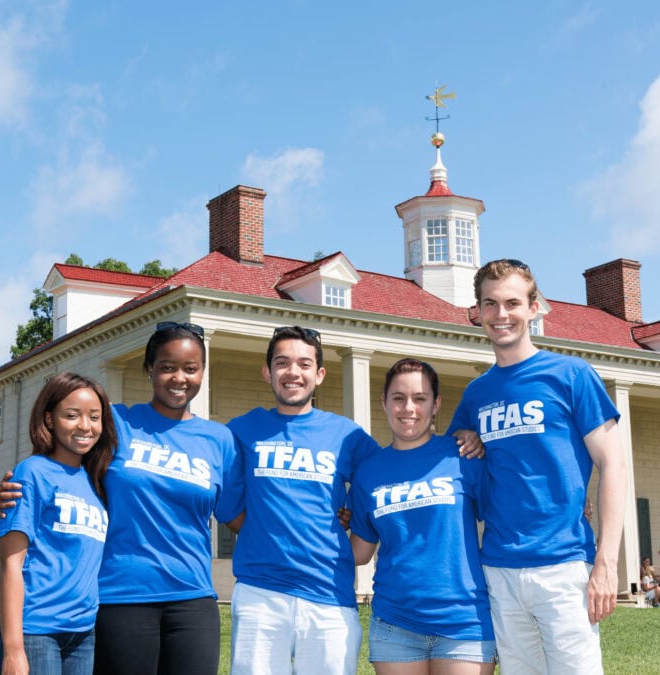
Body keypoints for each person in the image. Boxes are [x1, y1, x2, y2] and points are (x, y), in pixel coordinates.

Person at [0, 322, 238, 674]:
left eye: (191, 368)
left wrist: (325, 526)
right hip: (121, 595)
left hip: (192, 595)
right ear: (149, 370)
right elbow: (63, 458)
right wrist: (12, 492)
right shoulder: (116, 423)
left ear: (203, 371)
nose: (179, 378)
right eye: (167, 367)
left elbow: (239, 515)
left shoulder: (219, 440)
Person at [446, 258, 627, 673]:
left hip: (563, 565)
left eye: (512, 302)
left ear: (534, 307)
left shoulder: (571, 375)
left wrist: (606, 563)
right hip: (499, 566)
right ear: (477, 312)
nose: (501, 314)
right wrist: (466, 436)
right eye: (490, 304)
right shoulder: (476, 394)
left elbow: (613, 465)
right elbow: (453, 454)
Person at [215, 326, 382, 674]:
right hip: (260, 592)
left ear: (319, 375)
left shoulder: (346, 434)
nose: (293, 372)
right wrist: (265, 528)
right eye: (282, 363)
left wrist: (357, 516)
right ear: (267, 372)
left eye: (304, 364)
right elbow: (229, 506)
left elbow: (386, 475)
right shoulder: (242, 430)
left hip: (329, 596)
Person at [348, 358, 495, 673]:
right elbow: (360, 552)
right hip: (395, 623)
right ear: (384, 402)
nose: (408, 408)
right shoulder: (369, 472)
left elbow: (504, 512)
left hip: (464, 622)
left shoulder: (463, 455)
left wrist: (570, 506)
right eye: (398, 398)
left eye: (420, 398)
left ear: (436, 404)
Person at [0, 372, 116, 675]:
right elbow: (10, 565)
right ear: (49, 420)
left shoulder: (97, 482)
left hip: (83, 632)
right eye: (72, 416)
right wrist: (13, 650)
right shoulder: (31, 473)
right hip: (34, 630)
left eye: (94, 417)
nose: (85, 426)